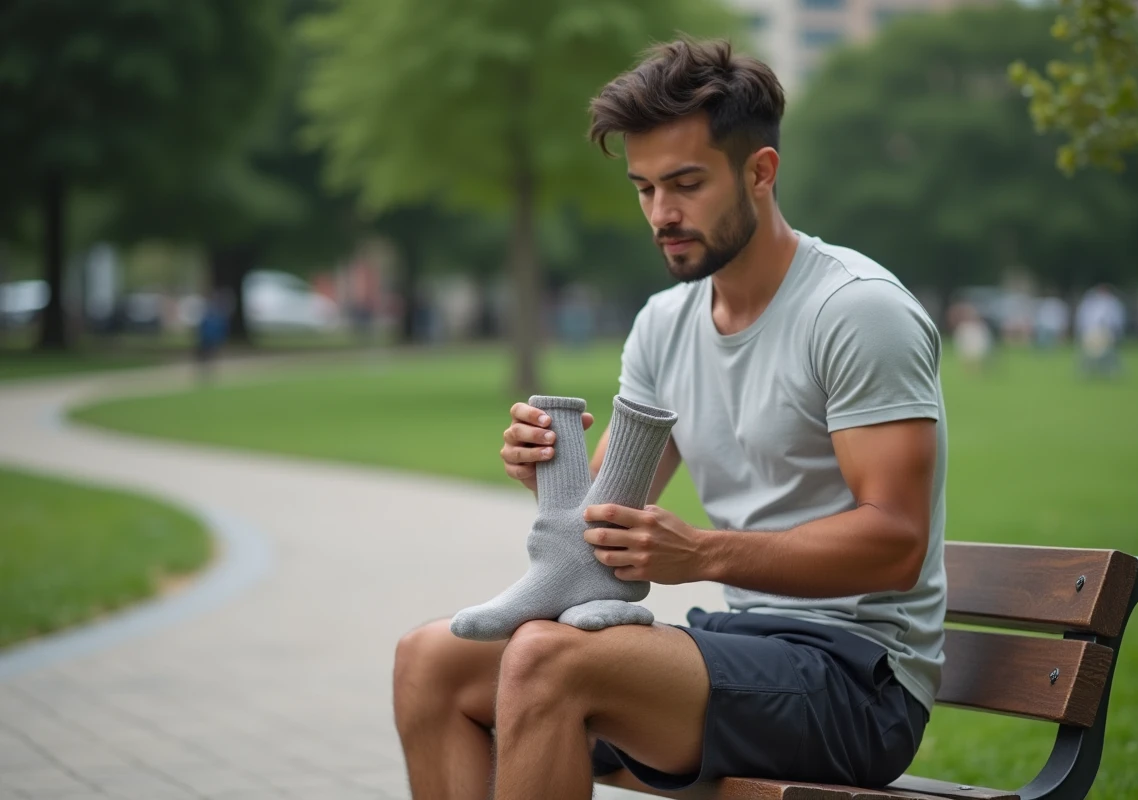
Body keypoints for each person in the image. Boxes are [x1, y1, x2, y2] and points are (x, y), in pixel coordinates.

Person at [392, 39, 947, 800]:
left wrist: (705, 555)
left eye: (685, 184)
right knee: (429, 663)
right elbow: (606, 524)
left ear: (760, 172)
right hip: (742, 647)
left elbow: (896, 544)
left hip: (859, 679)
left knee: (545, 662)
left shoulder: (855, 312)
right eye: (644, 188)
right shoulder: (665, 322)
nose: (662, 214)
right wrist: (550, 482)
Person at [1075, 284, 1125, 377]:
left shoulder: (1113, 302)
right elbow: (1083, 317)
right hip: (1092, 330)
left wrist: (1116, 330)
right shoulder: (1090, 302)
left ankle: (1111, 371)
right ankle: (1086, 371)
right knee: (1089, 352)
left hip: (1108, 330)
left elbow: (1117, 318)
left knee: (1109, 352)